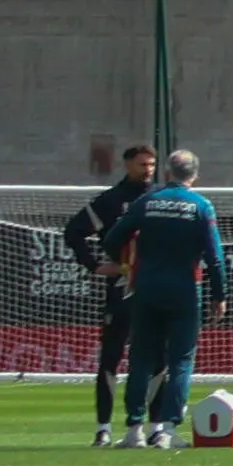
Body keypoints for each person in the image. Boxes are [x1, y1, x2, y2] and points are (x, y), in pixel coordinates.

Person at [123, 150, 222, 447]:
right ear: (195, 175)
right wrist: (220, 295)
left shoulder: (147, 202)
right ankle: (166, 431)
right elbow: (215, 257)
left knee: (140, 359)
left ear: (167, 173)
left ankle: (133, 431)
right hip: (185, 291)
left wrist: (129, 265)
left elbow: (115, 236)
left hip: (147, 288)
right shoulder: (201, 206)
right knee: (180, 360)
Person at [72, 141, 157, 443]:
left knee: (156, 358)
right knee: (110, 358)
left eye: (151, 165)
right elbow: (74, 231)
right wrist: (95, 266)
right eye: (141, 165)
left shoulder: (160, 198)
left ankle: (156, 428)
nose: (147, 170)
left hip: (154, 288)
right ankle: (103, 428)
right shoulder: (111, 200)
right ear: (127, 165)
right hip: (120, 290)